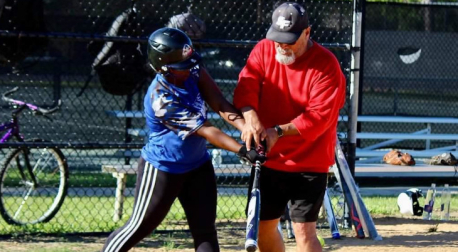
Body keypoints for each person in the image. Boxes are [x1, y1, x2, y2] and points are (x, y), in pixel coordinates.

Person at [101, 27, 265, 252]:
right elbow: (206, 130)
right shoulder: (161, 98)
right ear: (163, 67)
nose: (190, 69)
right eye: (183, 67)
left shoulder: (194, 69)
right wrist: (242, 150)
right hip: (163, 168)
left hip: (198, 165)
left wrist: (246, 129)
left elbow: (218, 102)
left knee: (205, 231)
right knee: (139, 227)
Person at [233, 2, 346, 252]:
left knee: (304, 233)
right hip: (270, 158)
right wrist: (250, 115)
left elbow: (319, 117)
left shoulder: (327, 65)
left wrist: (277, 131)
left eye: (290, 40)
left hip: (310, 160)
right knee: (263, 228)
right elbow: (246, 86)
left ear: (307, 33)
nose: (282, 45)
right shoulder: (264, 50)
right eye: (278, 38)